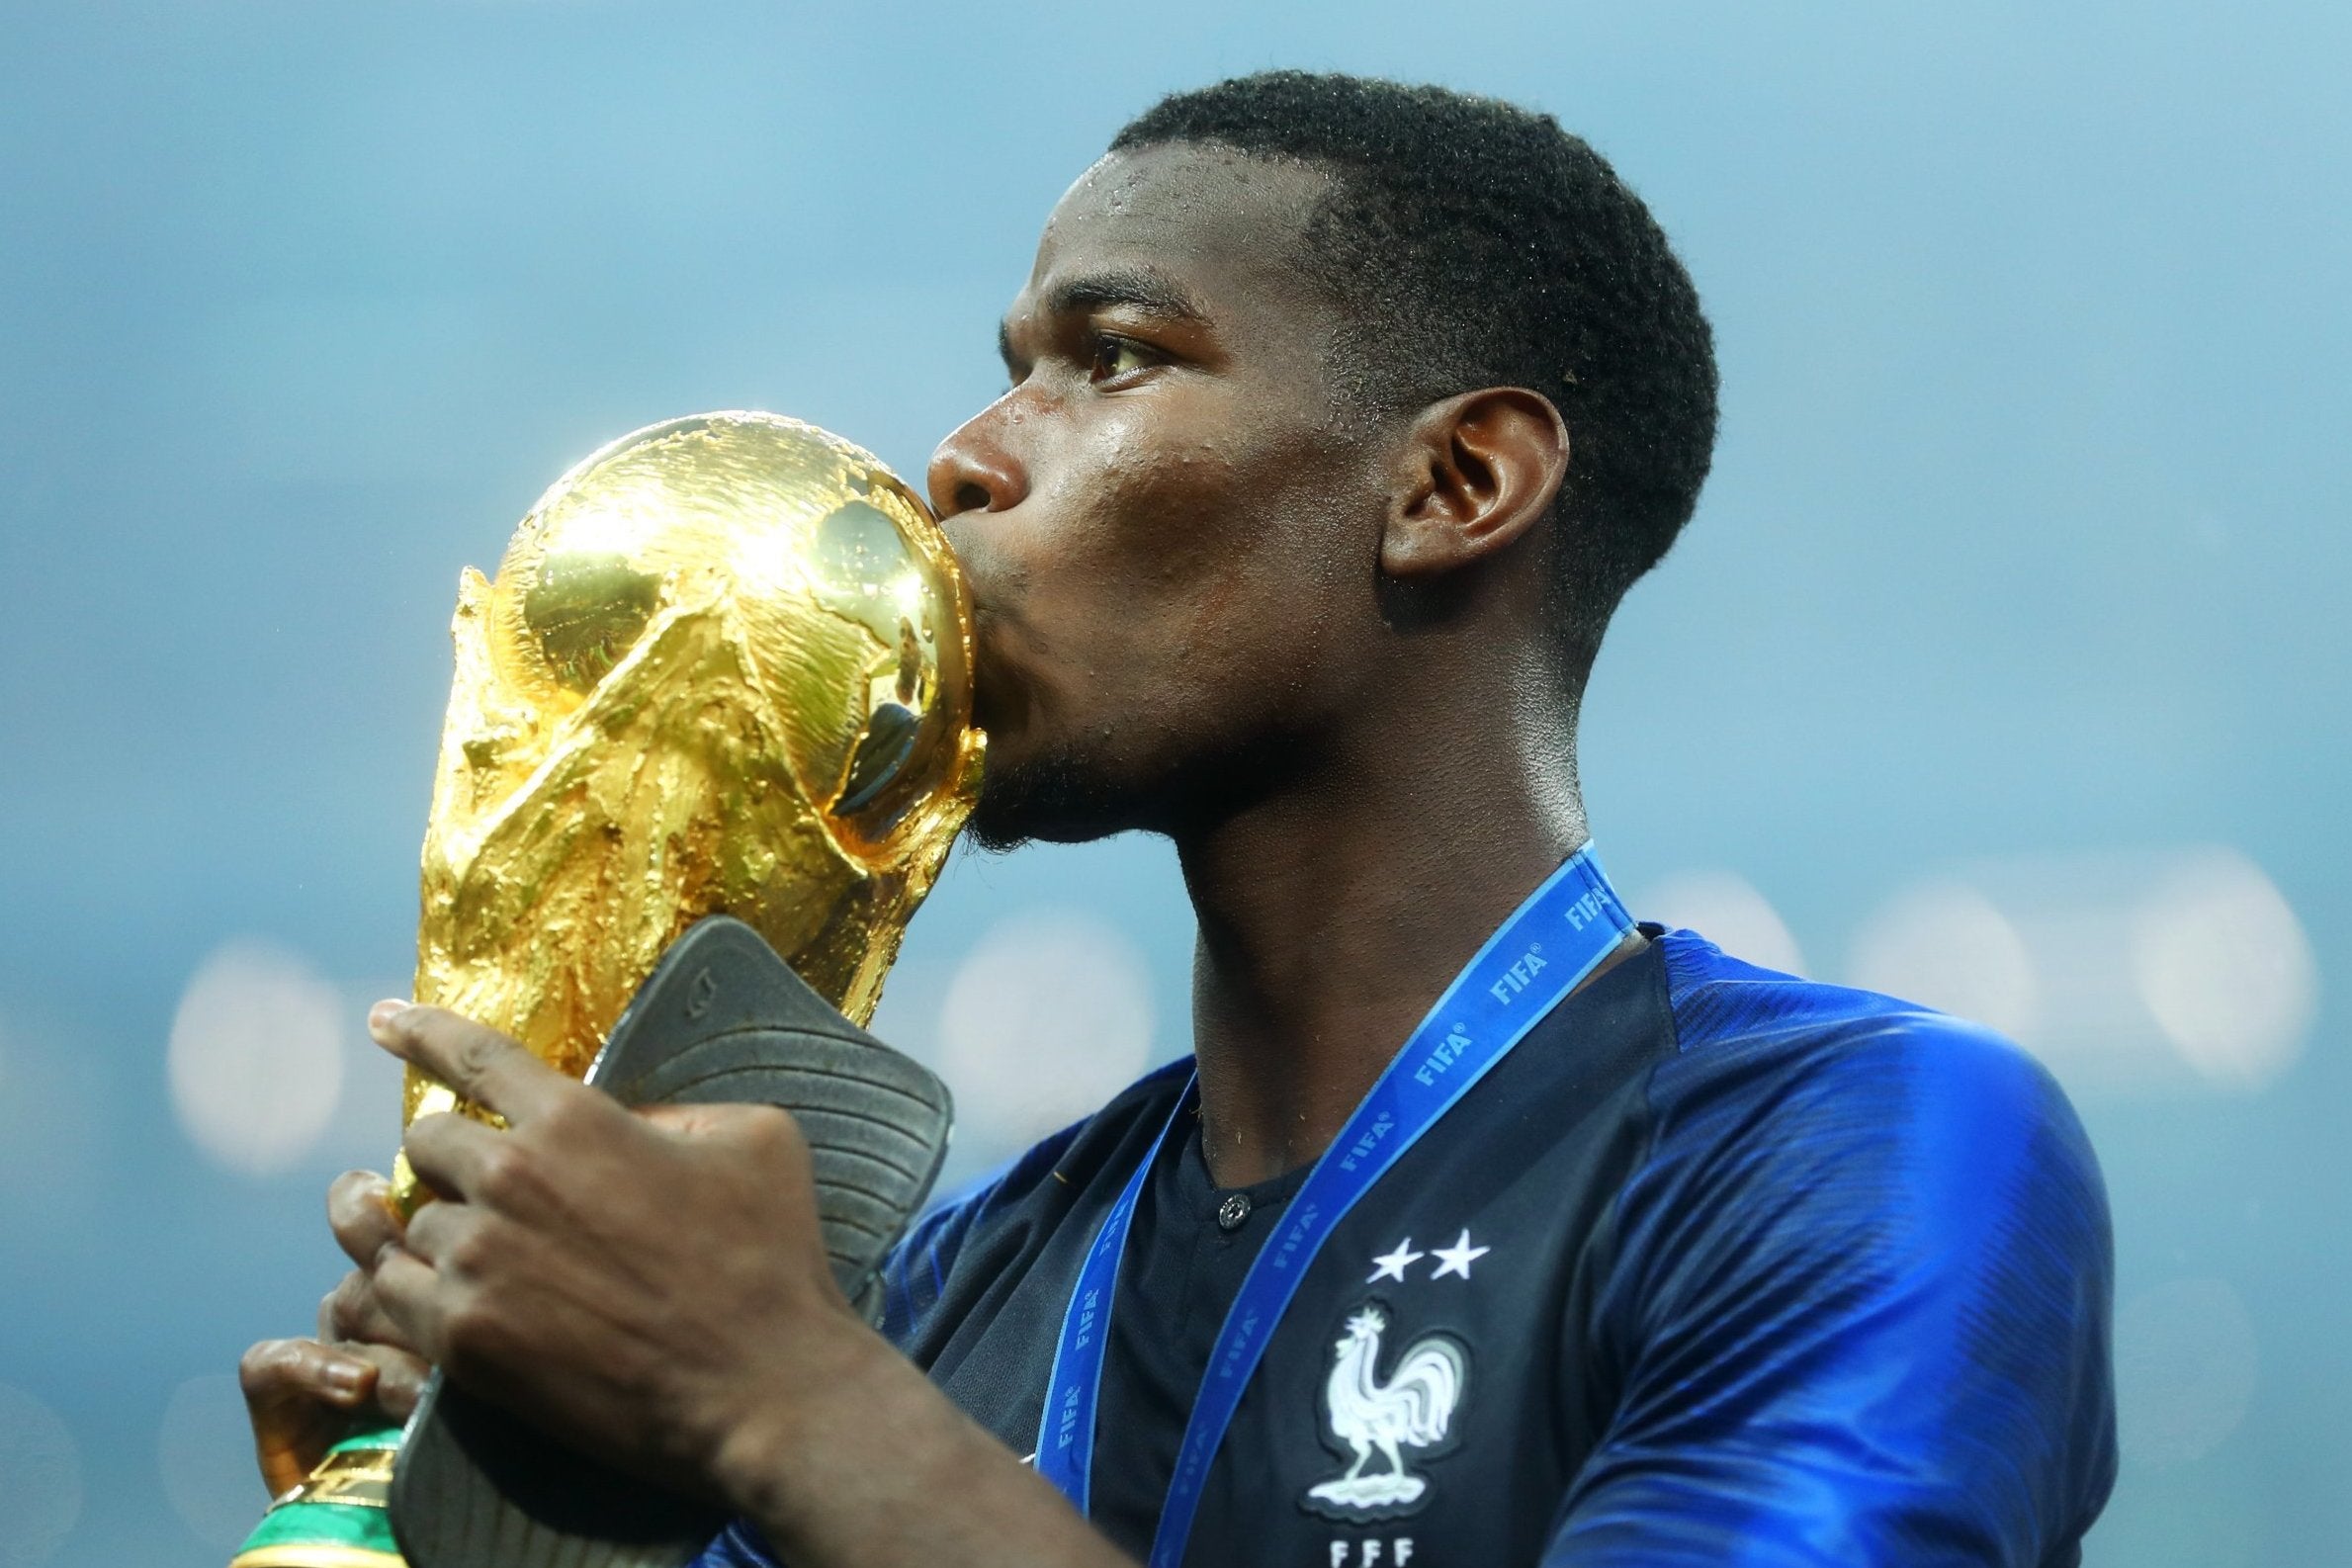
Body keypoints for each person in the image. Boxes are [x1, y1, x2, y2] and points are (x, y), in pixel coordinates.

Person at [241, 71, 2116, 1567]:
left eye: (1113, 354)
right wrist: (494, 1511)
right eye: (1005, 365)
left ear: (1455, 481)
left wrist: (782, 1402)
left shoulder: (1846, 1155)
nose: (966, 457)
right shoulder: (947, 1292)